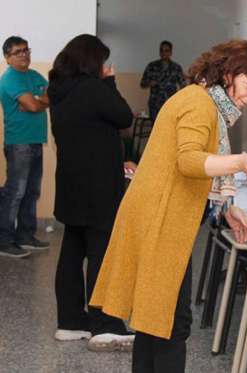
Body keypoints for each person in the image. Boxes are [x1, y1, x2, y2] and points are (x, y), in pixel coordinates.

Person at [90, 39, 247, 373]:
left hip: (162, 219)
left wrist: (227, 208)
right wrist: (241, 162)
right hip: (160, 220)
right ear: (228, 72)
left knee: (155, 319)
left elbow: (199, 167)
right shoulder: (199, 103)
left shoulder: (199, 99)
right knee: (172, 323)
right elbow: (189, 161)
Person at [47, 34, 135, 350]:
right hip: (98, 185)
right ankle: (105, 324)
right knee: (102, 252)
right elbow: (124, 118)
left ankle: (70, 321)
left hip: (71, 182)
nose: (105, 67)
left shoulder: (57, 90)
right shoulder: (95, 88)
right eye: (103, 62)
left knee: (72, 249)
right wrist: (110, 83)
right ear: (92, 61)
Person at [0, 36, 50, 258]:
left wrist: (38, 101)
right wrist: (37, 101)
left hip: (36, 139)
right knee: (15, 192)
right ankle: (4, 240)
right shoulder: (9, 79)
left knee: (32, 191)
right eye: (18, 52)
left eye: (26, 50)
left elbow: (51, 95)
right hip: (18, 142)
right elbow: (31, 105)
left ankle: (25, 235)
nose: (24, 55)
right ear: (7, 58)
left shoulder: (34, 75)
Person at [140, 40, 186, 121]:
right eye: (161, 50)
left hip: (170, 103)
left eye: (166, 50)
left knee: (170, 128)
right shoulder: (152, 66)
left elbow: (183, 85)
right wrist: (150, 83)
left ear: (171, 52)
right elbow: (142, 84)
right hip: (155, 104)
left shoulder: (176, 67)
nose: (163, 53)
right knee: (156, 128)